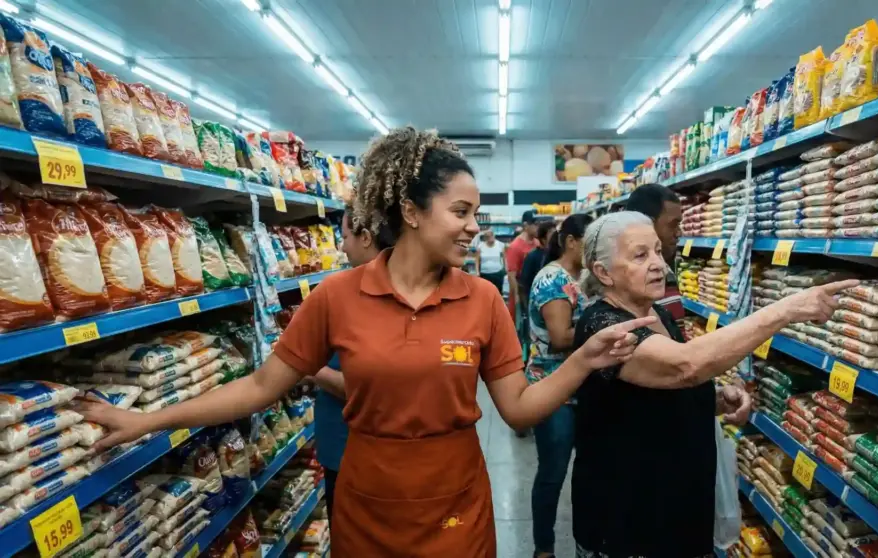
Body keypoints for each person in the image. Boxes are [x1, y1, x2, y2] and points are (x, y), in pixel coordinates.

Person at [80, 127, 655, 558]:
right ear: (409, 210)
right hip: (366, 506)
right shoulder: (336, 296)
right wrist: (144, 423)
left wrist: (581, 360)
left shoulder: (480, 299)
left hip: (456, 506)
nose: (473, 226)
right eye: (460, 211)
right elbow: (260, 387)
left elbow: (518, 408)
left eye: (475, 213)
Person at [570, 211, 857, 558]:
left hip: (677, 510)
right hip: (628, 521)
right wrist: (784, 311)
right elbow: (685, 366)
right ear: (603, 273)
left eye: (658, 251)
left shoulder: (654, 313)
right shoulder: (602, 325)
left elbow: (657, 390)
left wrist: (715, 399)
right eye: (640, 255)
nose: (659, 264)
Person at [312, 211, 394, 524]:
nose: (342, 248)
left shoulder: (362, 299)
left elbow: (363, 388)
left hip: (353, 455)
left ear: (366, 237)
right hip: (349, 452)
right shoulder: (351, 292)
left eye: (345, 237)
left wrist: (310, 370)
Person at [525, 213, 593, 558]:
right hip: (553, 390)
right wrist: (603, 332)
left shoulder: (583, 277)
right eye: (590, 240)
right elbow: (559, 336)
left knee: (587, 470)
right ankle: (544, 547)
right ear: (571, 241)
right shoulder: (552, 279)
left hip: (584, 388)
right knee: (552, 473)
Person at [625, 184, 682, 281]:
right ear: (647, 224)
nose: (679, 233)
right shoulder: (653, 275)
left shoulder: (663, 269)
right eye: (673, 225)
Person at [506, 210, 540, 337]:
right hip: (522, 293)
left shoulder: (537, 243)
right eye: (535, 224)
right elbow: (512, 275)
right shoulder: (515, 246)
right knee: (521, 328)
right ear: (526, 225)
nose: (538, 227)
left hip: (535, 292)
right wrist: (516, 298)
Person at [519, 220, 556, 310]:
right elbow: (524, 284)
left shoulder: (557, 255)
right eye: (552, 235)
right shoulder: (532, 257)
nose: (556, 239)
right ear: (543, 239)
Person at [473, 228, 506, 293]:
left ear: (494, 235)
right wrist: (477, 272)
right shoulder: (480, 246)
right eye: (488, 236)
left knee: (498, 292)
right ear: (485, 238)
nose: (490, 237)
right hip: (485, 274)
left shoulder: (500, 245)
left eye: (491, 235)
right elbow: (477, 260)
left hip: (498, 273)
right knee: (486, 293)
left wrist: (505, 269)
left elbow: (504, 258)